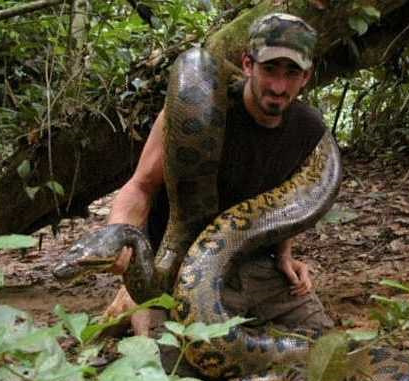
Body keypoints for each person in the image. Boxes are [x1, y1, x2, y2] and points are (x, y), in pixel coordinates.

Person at [105, 13, 334, 336]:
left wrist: (285, 254)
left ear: (306, 77)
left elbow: (283, 194)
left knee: (323, 343)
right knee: (171, 365)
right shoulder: (193, 109)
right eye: (269, 69)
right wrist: (119, 238)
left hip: (248, 260)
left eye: (291, 73)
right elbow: (140, 187)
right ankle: (135, 305)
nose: (279, 86)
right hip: (177, 263)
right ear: (247, 64)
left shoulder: (307, 129)